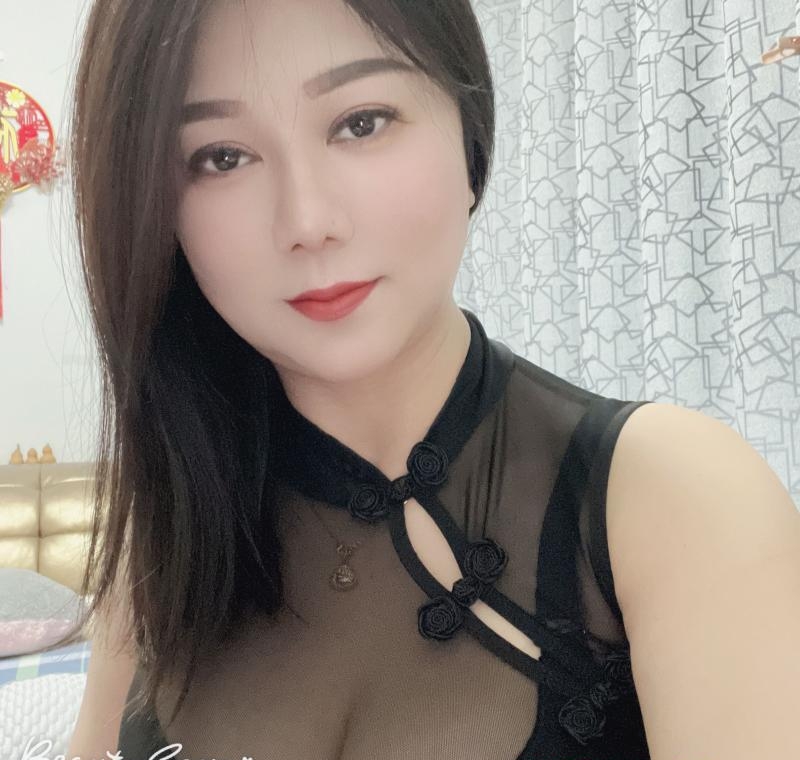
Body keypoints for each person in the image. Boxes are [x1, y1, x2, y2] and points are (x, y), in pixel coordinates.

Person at [65, 0, 800, 758]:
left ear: (469, 137)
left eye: (361, 122)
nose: (307, 221)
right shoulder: (171, 520)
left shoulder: (675, 499)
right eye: (221, 157)